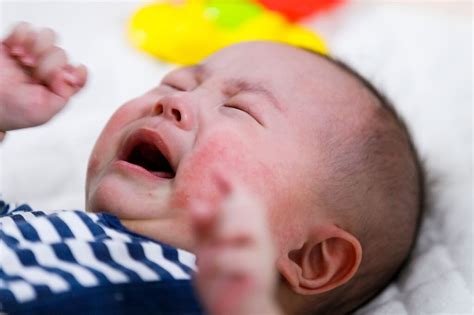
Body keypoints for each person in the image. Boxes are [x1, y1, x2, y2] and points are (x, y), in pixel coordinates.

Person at [0, 22, 424, 314]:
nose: (174, 101)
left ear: (309, 257)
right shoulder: (41, 226)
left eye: (239, 109)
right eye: (177, 82)